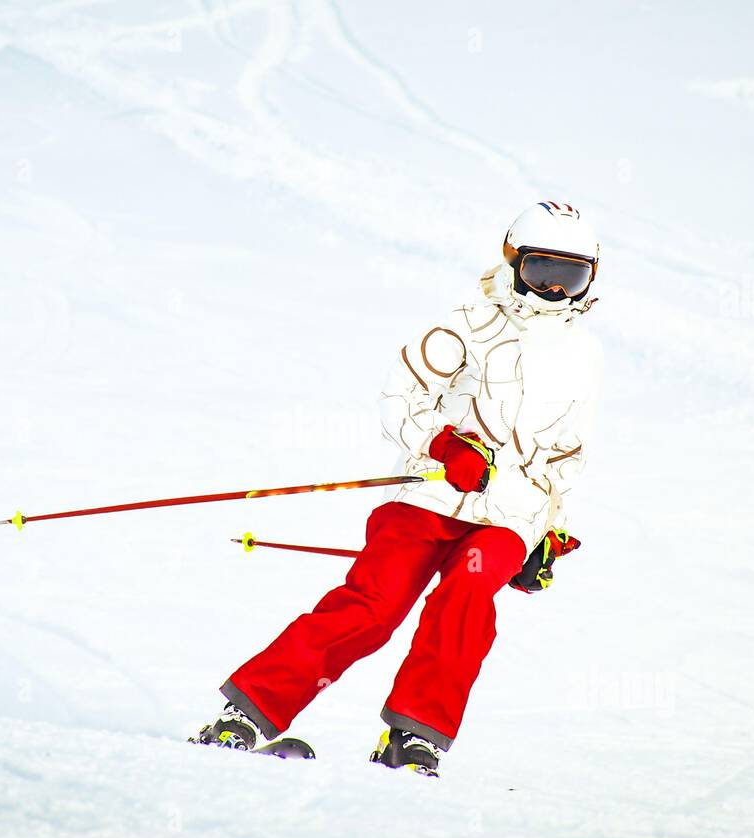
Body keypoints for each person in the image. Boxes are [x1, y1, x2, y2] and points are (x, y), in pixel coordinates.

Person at [192, 201, 604, 776]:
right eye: (542, 274)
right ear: (513, 263)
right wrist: (443, 446)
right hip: (429, 499)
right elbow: (402, 399)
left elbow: (568, 454)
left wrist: (550, 534)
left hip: (509, 518)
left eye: (572, 277)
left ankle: (415, 739)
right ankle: (249, 713)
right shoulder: (465, 325)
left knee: (464, 603)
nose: (555, 292)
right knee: (374, 604)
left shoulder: (582, 355)